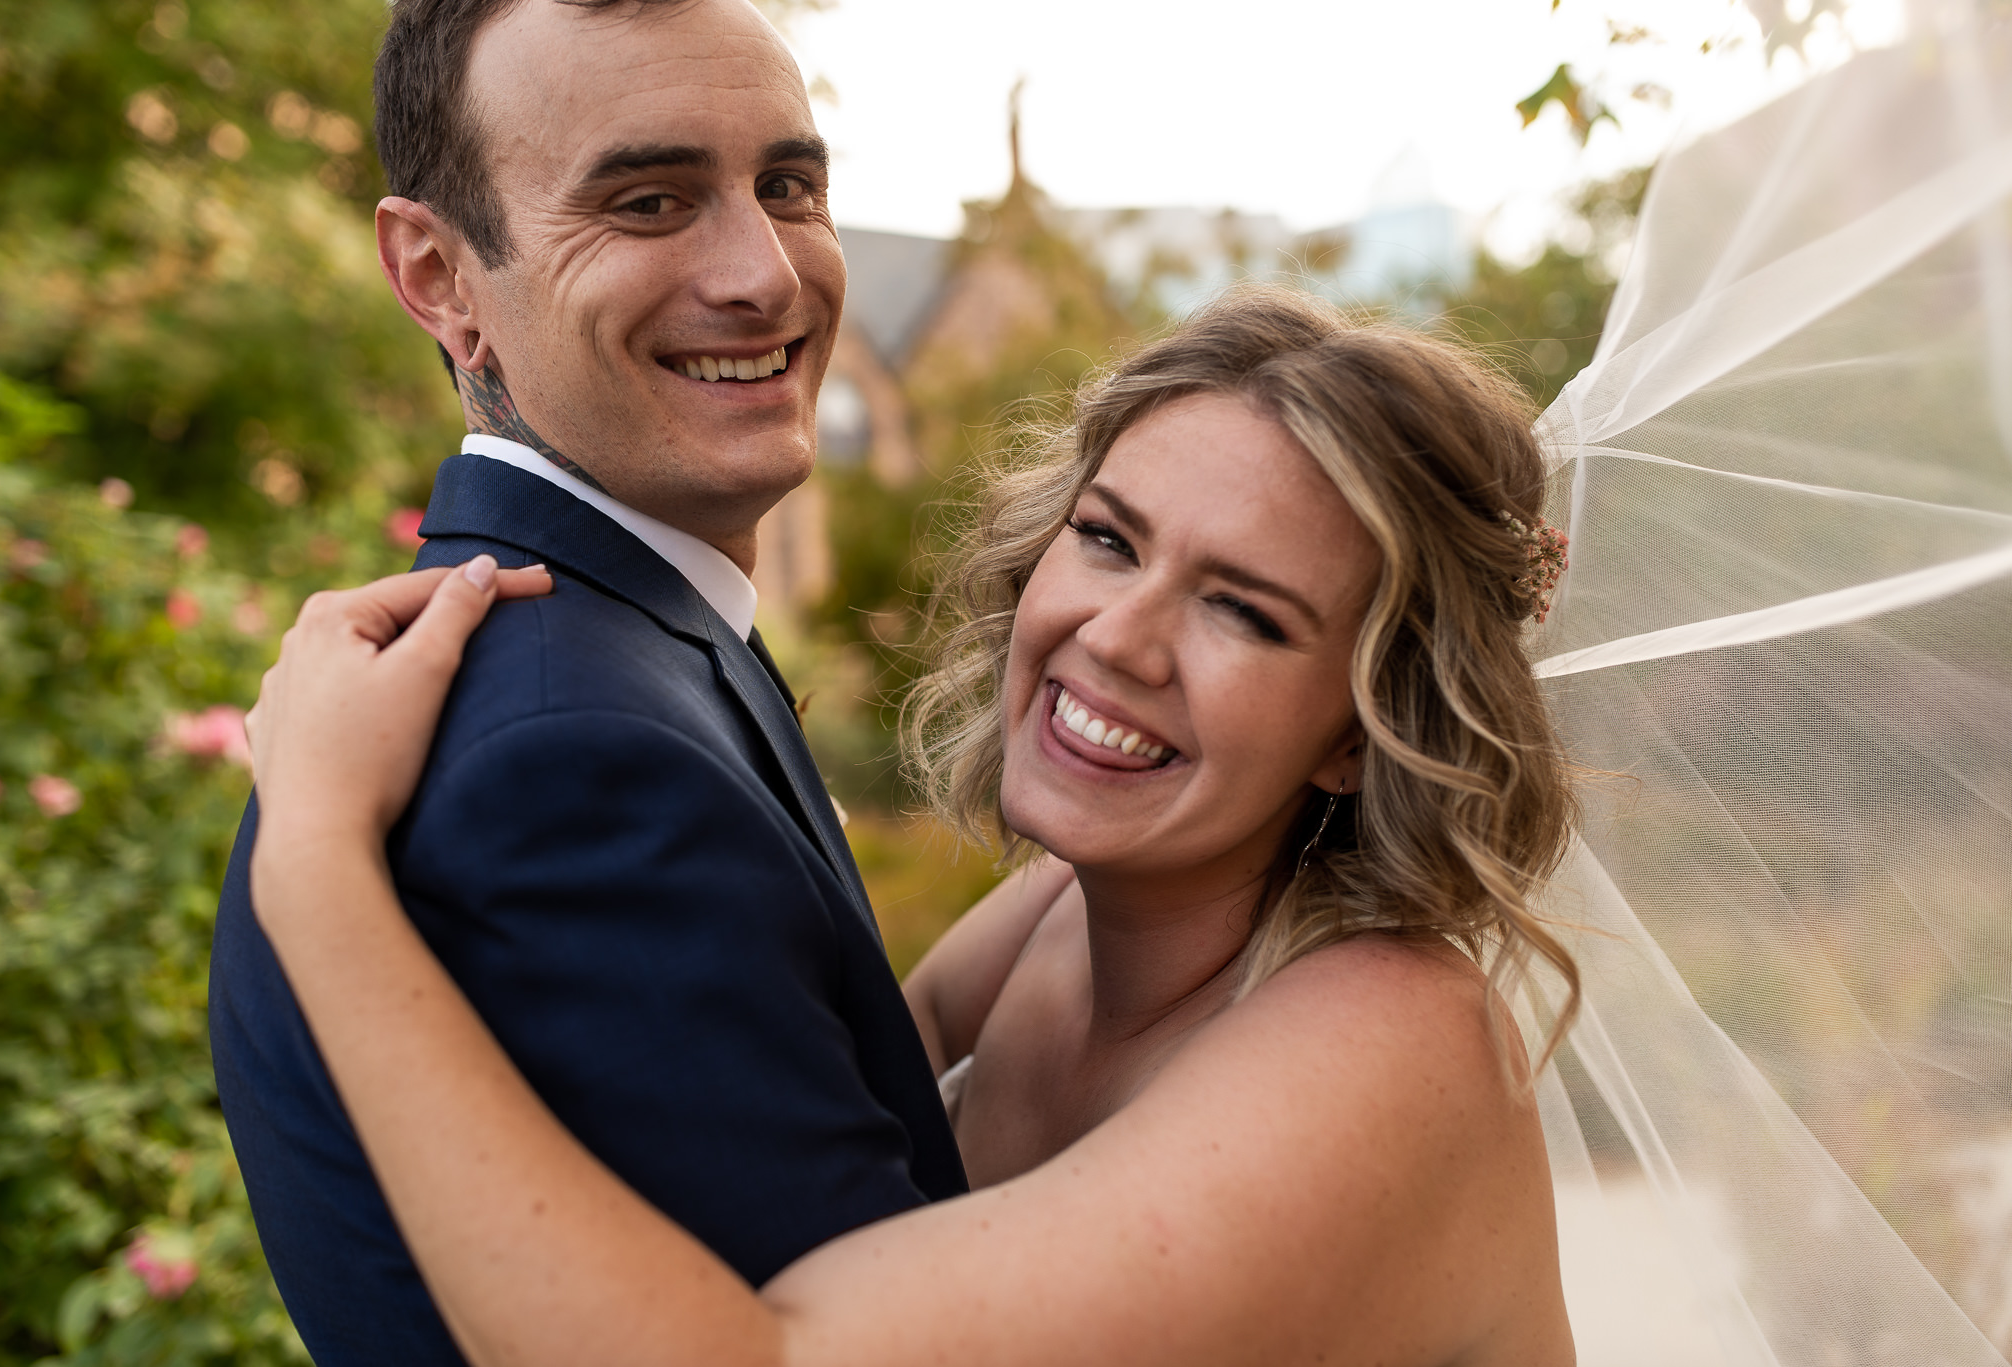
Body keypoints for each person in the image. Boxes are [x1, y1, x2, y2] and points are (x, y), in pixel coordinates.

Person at [242, 287, 1584, 1365]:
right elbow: (815, 1078)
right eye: (1110, 539)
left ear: (1364, 726)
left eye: (1243, 610)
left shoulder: (1395, 1050)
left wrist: (318, 862)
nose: (1115, 636)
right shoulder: (1061, 918)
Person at [208, 1, 965, 1360]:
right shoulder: (567, 759)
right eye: (652, 199)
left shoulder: (632, 640)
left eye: (787, 186)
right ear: (441, 278)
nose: (765, 275)